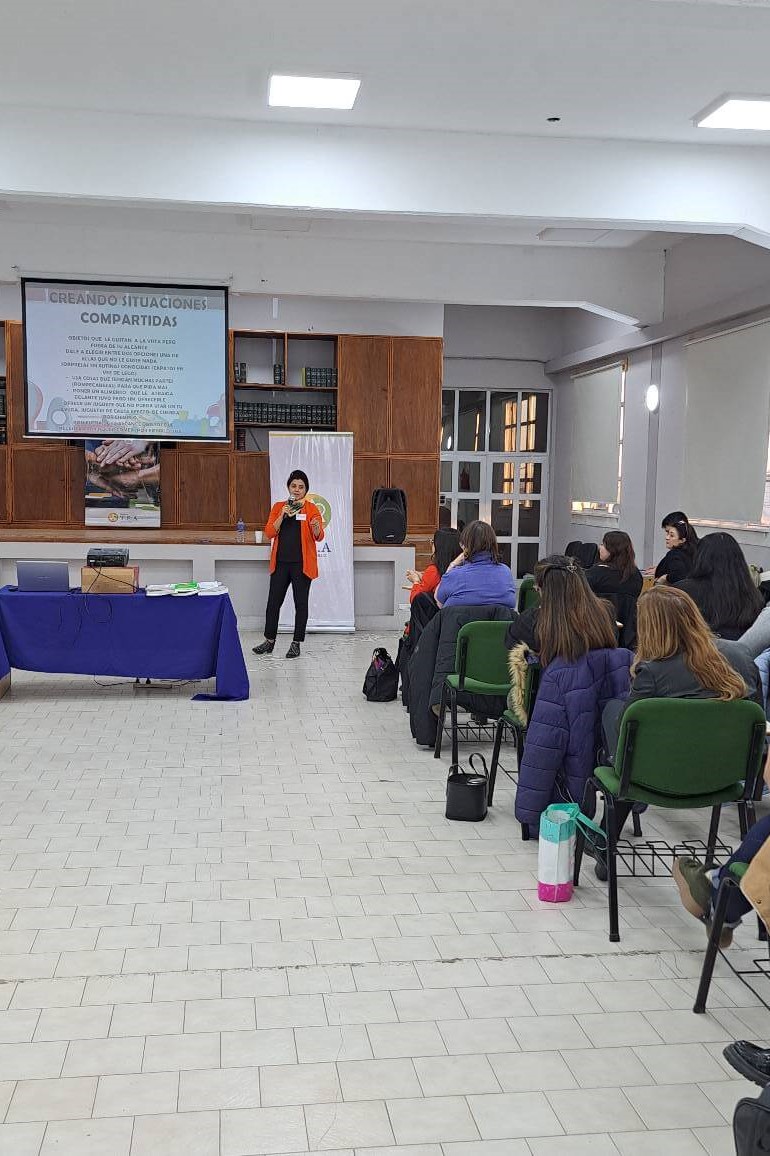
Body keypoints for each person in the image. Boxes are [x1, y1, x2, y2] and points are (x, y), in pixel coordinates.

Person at [513, 556, 632, 837]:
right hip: (602, 702)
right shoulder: (604, 611)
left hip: (561, 696)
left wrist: (529, 815)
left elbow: (543, 748)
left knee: (529, 712)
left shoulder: (540, 621)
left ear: (543, 590)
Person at [253, 470, 324, 659]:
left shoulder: (311, 509)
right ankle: (269, 641)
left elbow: (319, 536)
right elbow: (269, 532)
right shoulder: (278, 507)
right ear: (288, 487)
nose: (297, 490)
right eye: (294, 486)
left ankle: (296, 643)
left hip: (302, 565)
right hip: (281, 564)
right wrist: (282, 516)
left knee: (301, 604)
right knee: (273, 603)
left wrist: (316, 528)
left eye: (301, 487)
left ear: (306, 490)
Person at [676, 531, 764, 641]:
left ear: (701, 557)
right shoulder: (753, 594)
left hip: (698, 654)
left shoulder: (683, 591)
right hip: (740, 654)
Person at [434, 520, 516, 609]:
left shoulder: (455, 575)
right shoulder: (506, 572)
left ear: (464, 546)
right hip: (501, 622)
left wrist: (452, 565)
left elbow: (439, 603)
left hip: (459, 622)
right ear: (493, 543)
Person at [405, 528, 462, 604]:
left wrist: (416, 581)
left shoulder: (434, 570)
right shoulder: (464, 568)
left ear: (439, 547)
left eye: (433, 542)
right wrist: (423, 577)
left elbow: (416, 600)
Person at [585, 531, 643, 599]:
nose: (599, 547)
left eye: (603, 545)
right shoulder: (636, 575)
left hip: (599, 609)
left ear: (612, 550)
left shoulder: (594, 574)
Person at [654, 510, 698, 584]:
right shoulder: (697, 549)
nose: (666, 537)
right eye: (667, 533)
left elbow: (678, 574)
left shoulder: (675, 555)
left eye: (671, 534)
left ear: (682, 540)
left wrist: (664, 577)